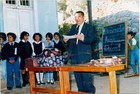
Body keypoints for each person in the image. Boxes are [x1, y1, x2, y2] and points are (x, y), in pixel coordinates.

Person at [63, 11, 96, 93]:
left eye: (79, 17)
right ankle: (81, 91)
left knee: (86, 76)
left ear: (83, 17)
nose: (77, 19)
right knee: (78, 77)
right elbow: (69, 39)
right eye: (75, 17)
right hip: (74, 55)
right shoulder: (73, 27)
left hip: (84, 55)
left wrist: (83, 39)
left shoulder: (89, 27)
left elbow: (92, 40)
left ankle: (90, 92)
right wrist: (65, 40)